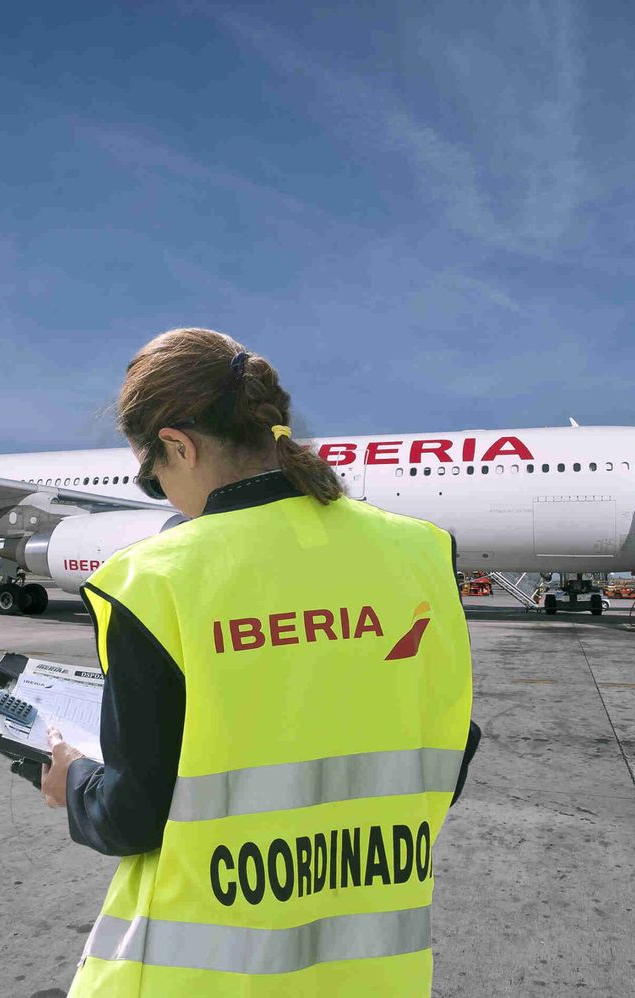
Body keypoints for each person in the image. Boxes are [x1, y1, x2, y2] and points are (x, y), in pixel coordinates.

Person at [34, 329, 480, 996]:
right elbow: (449, 743)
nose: (157, 486)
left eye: (150, 471)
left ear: (179, 446)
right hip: (375, 973)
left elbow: (131, 816)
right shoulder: (422, 552)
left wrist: (72, 782)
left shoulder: (152, 579)